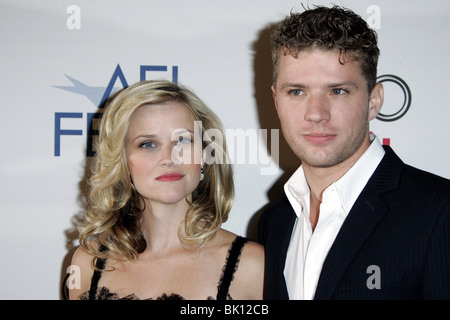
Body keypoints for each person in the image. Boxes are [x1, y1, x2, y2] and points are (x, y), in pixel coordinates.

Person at [259, 5, 450, 299]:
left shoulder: (439, 211)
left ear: (374, 101)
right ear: (276, 100)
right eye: (297, 91)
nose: (316, 114)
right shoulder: (275, 220)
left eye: (338, 91)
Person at [69, 80, 264, 300]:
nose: (169, 158)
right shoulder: (88, 263)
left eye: (182, 140)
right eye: (148, 144)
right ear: (122, 161)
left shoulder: (253, 266)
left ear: (204, 154)